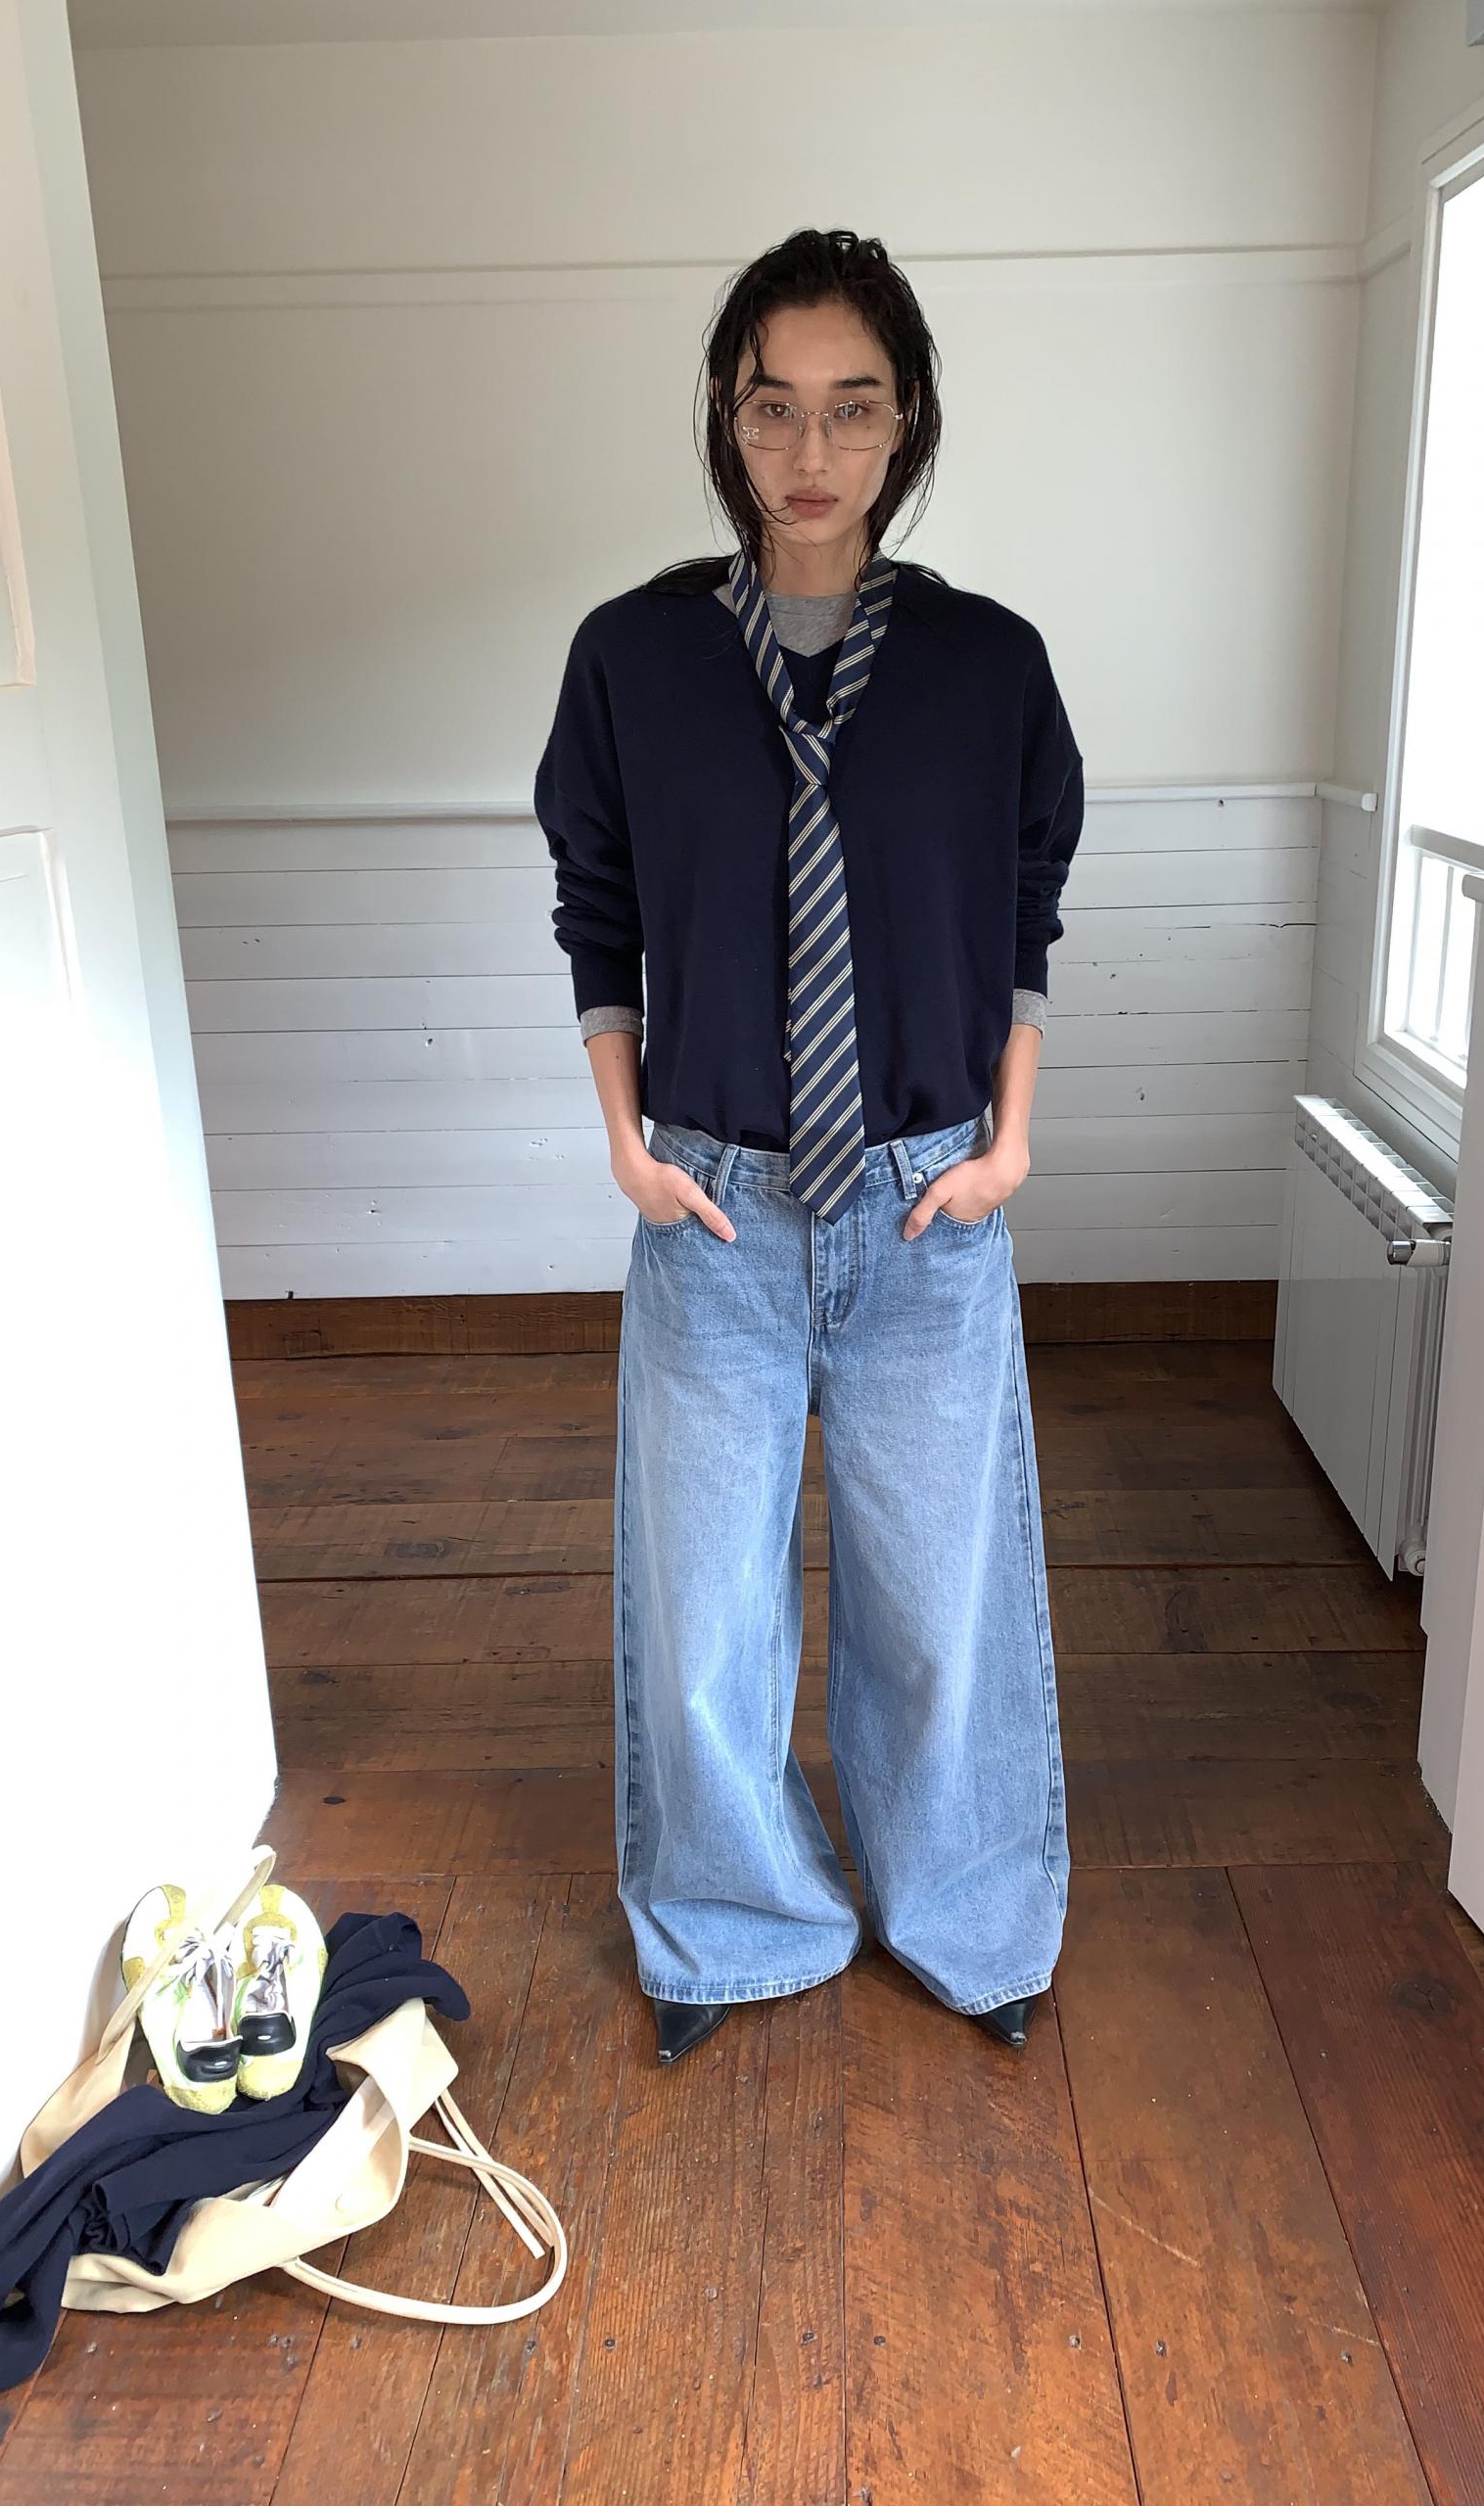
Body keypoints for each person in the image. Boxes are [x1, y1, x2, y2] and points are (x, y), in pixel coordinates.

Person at [533, 226, 1085, 2066]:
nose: (810, 450)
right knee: (703, 1613)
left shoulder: (990, 666)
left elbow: (1024, 911)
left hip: (930, 1202)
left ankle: (968, 1912)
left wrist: (1011, 1144)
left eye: (853, 407)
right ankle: (733, 1925)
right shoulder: (633, 660)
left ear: (905, 420)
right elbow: (597, 911)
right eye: (774, 406)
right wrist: (628, 1148)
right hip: (716, 1205)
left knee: (942, 1606)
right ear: (727, 414)